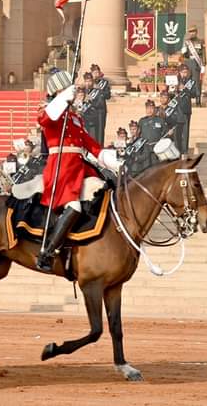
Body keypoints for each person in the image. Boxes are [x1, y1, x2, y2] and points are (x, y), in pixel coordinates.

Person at [34, 70, 119, 273]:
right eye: (65, 89)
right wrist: (62, 98)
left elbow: (91, 145)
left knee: (103, 191)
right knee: (75, 207)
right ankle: (47, 253)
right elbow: (45, 119)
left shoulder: (75, 118)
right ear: (57, 92)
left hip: (79, 167)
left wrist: (113, 160)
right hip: (61, 168)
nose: (72, 92)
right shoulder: (48, 110)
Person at [184, 26, 205, 107]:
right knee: (188, 82)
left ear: (196, 32)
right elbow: (185, 55)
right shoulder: (187, 42)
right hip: (188, 63)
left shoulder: (200, 41)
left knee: (197, 82)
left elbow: (203, 53)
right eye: (190, 32)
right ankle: (187, 99)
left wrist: (204, 64)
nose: (192, 33)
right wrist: (184, 52)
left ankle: (198, 100)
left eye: (193, 31)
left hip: (197, 64)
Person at [89, 64, 111, 144]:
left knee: (100, 130)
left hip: (100, 110)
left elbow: (108, 95)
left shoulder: (104, 83)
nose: (96, 74)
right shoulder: (88, 83)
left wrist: (99, 90)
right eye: (94, 73)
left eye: (97, 72)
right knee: (91, 130)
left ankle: (100, 148)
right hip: (90, 110)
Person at [176, 64, 195, 154]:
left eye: (186, 72)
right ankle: (177, 150)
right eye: (183, 72)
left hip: (185, 110)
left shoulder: (190, 82)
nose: (184, 74)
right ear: (179, 73)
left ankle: (185, 150)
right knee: (177, 132)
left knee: (185, 131)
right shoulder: (175, 81)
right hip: (175, 110)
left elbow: (195, 94)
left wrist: (185, 89)